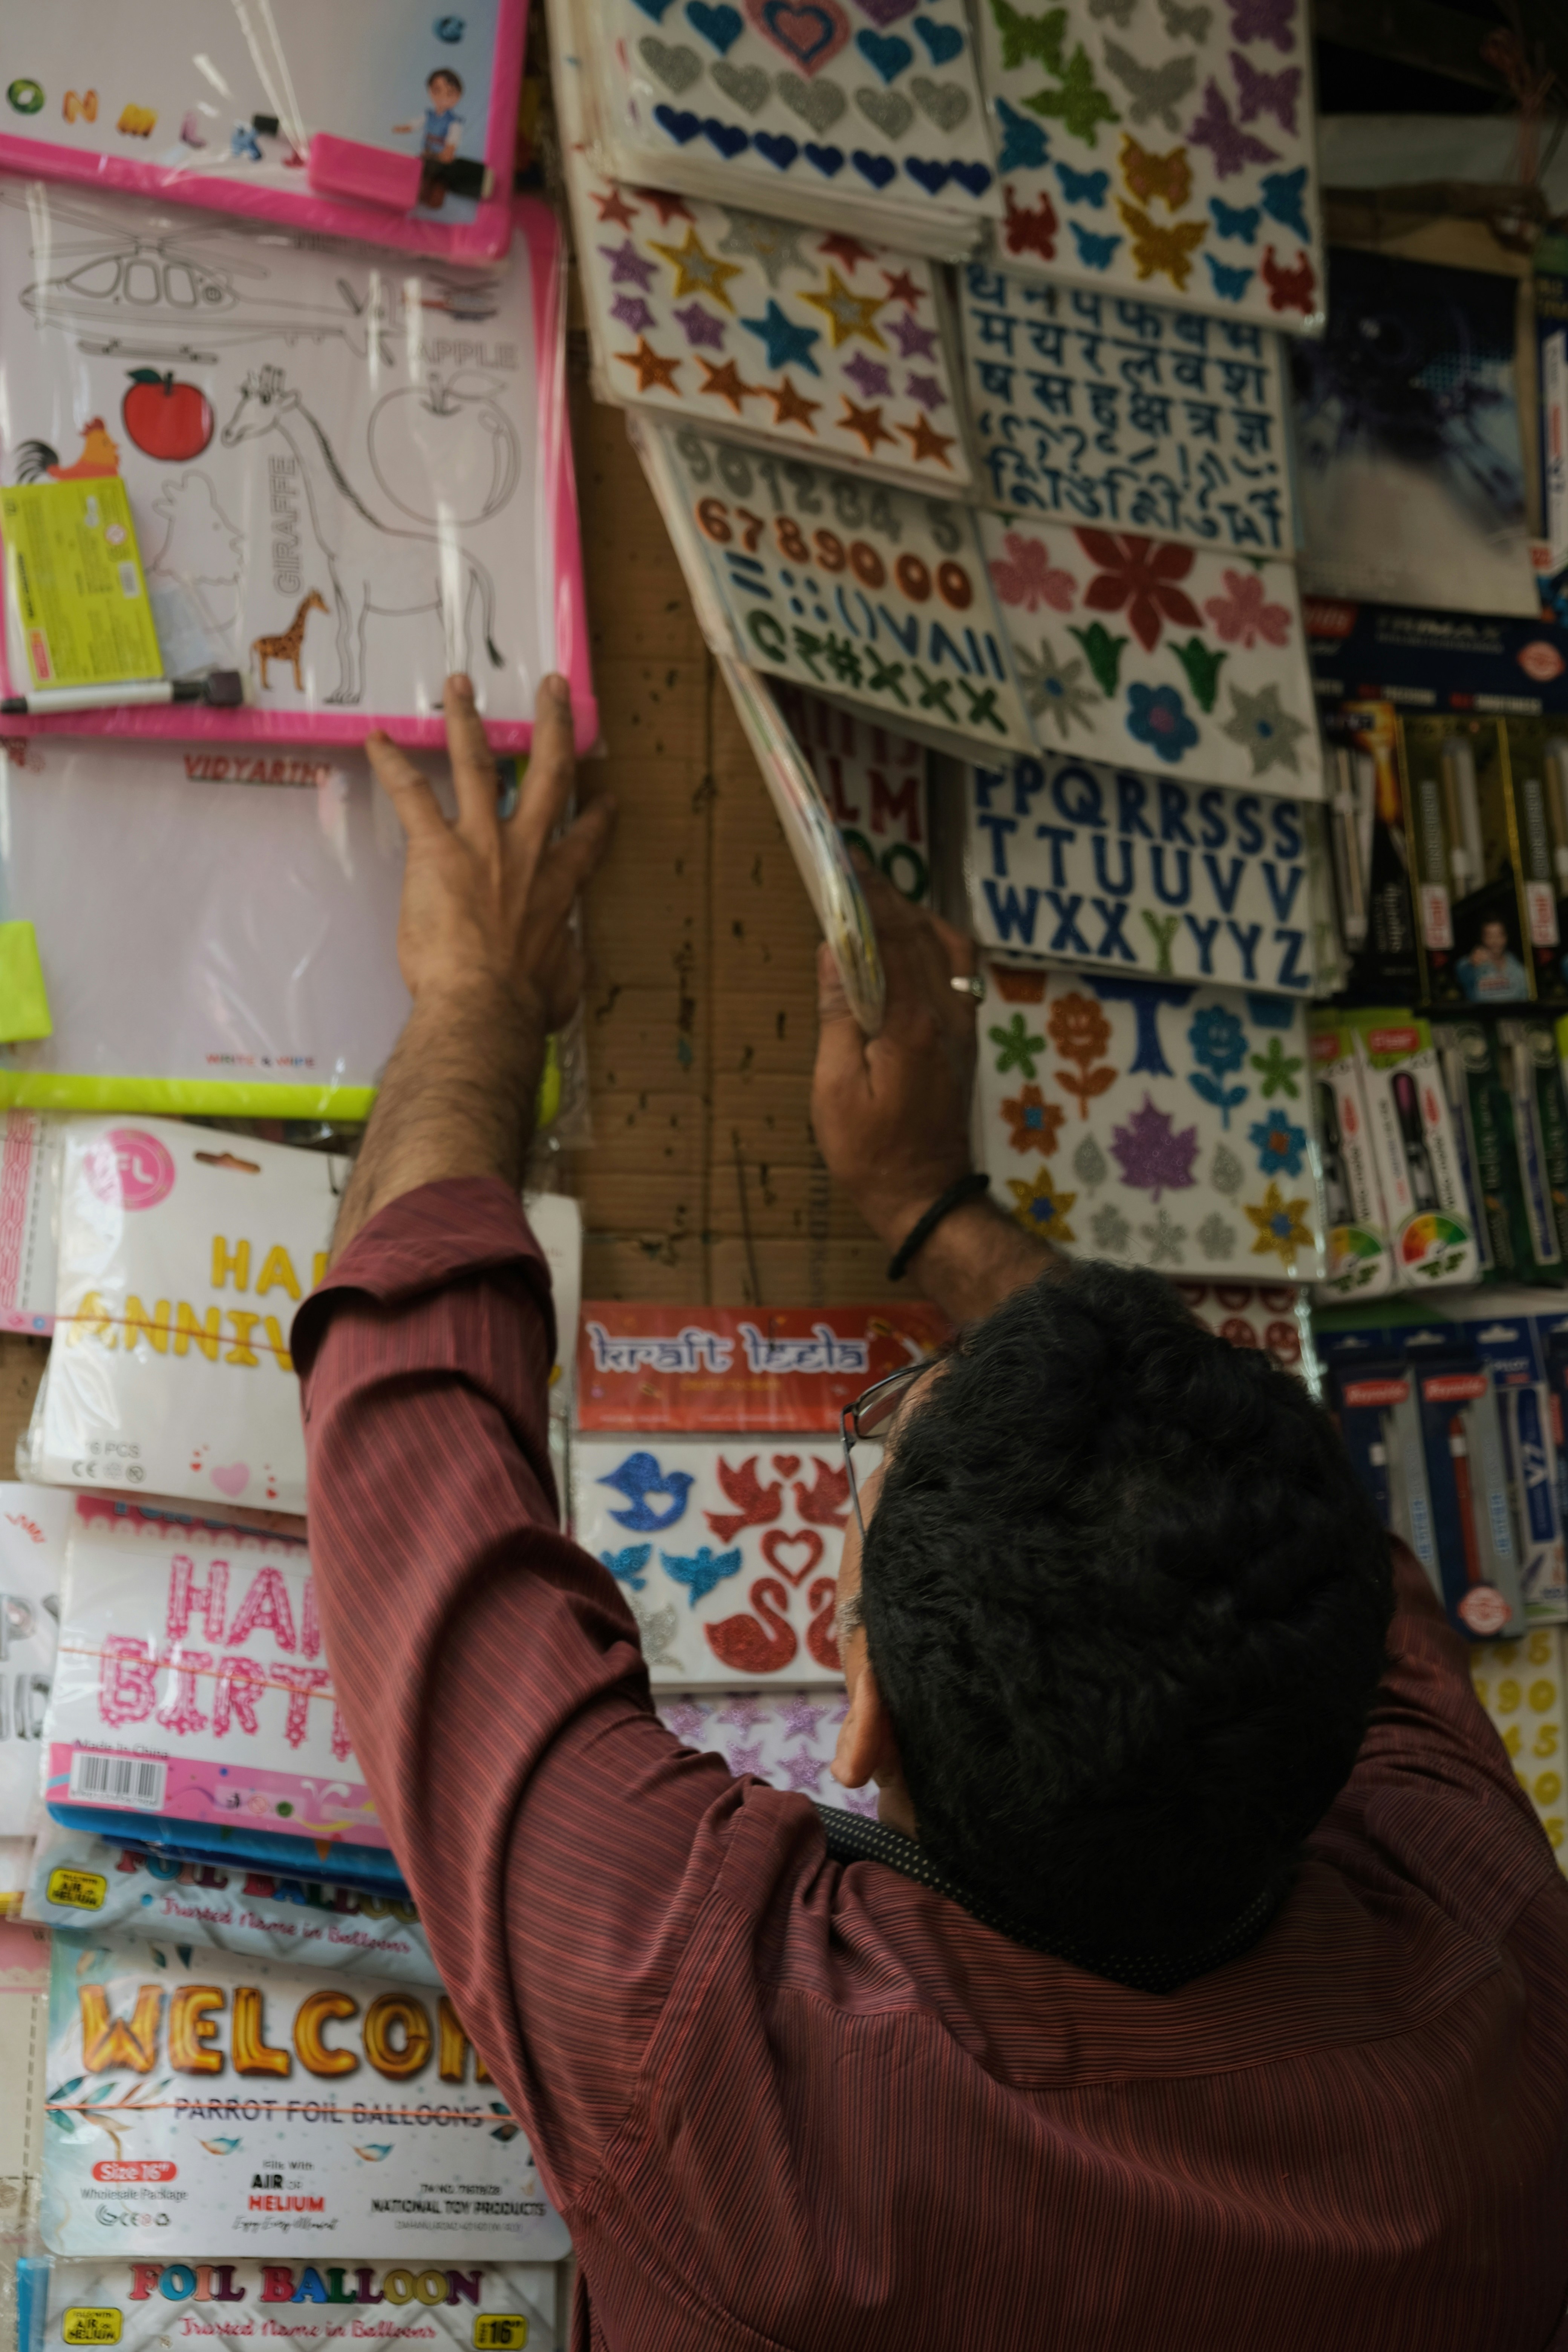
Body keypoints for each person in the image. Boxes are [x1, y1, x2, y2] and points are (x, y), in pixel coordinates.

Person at [296, 677, 1568, 2352]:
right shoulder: (1496, 1967)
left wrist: (474, 1004)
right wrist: (930, 1205)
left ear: (864, 1710)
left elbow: (405, 1432)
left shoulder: (718, 2040)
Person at [1457, 915, 1528, 1002]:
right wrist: (1471, 963)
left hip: (1513, 1014)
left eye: (1499, 935)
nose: (1495, 941)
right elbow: (1460, 974)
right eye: (1490, 936)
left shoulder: (1517, 966)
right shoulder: (1474, 964)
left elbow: (1525, 995)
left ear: (1506, 937)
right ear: (1482, 938)